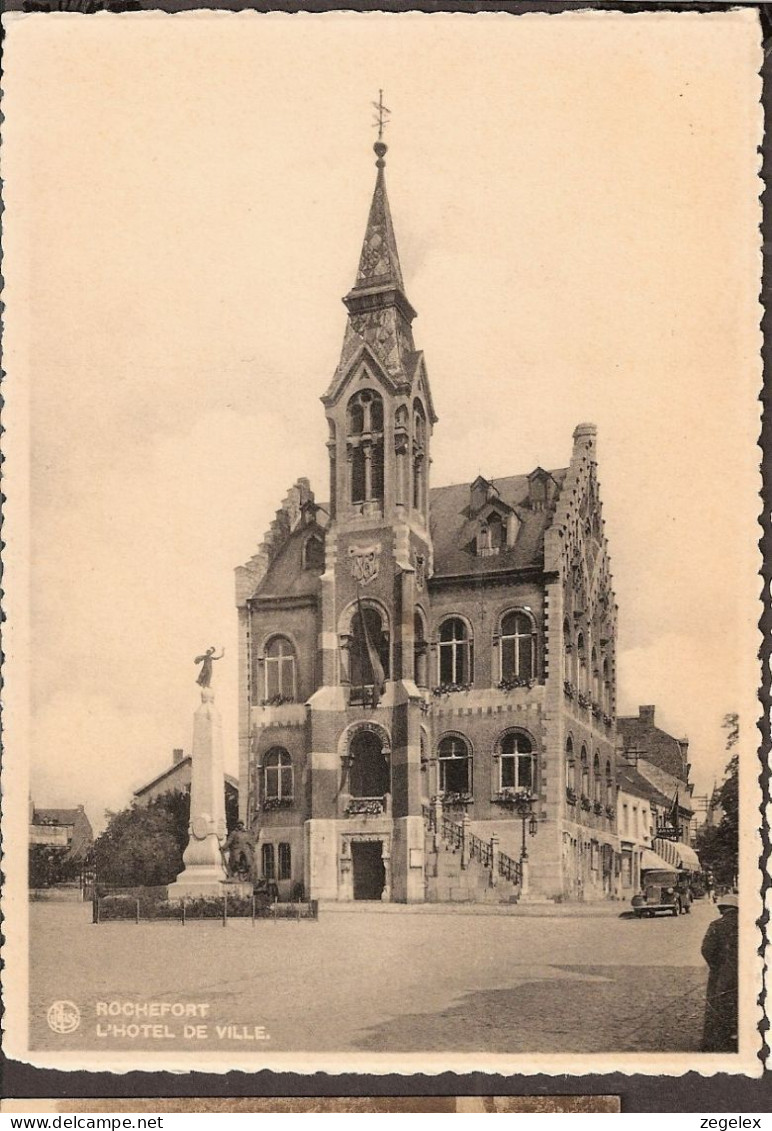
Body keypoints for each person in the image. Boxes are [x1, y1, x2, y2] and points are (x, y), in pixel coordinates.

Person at [700, 891, 739, 1052]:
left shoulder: (716, 925)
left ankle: (714, 1041)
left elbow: (706, 949)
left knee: (717, 1004)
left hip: (722, 973)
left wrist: (716, 966)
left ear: (722, 909)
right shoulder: (750, 924)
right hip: (745, 973)